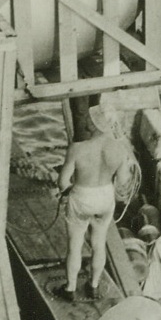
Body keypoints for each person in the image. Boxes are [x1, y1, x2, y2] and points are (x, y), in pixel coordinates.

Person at [55, 102, 129, 301]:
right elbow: (123, 182)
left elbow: (62, 182)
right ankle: (94, 286)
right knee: (99, 243)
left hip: (82, 196)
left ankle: (70, 288)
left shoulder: (77, 148)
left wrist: (67, 190)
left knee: (75, 244)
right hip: (105, 197)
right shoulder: (120, 149)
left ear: (94, 124)